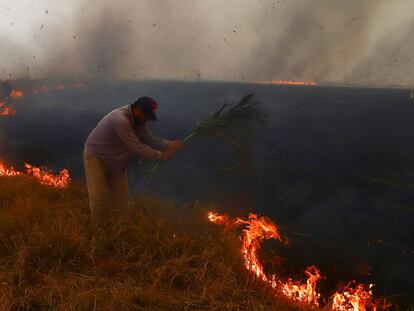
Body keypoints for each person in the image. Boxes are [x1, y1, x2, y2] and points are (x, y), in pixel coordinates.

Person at [83, 96, 183, 225]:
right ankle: (100, 232)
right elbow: (137, 147)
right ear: (137, 110)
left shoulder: (139, 121)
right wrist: (161, 156)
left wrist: (169, 144)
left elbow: (149, 139)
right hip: (97, 157)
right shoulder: (121, 120)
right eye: (146, 116)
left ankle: (124, 229)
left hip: (116, 160)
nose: (147, 120)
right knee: (100, 197)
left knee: (121, 198)